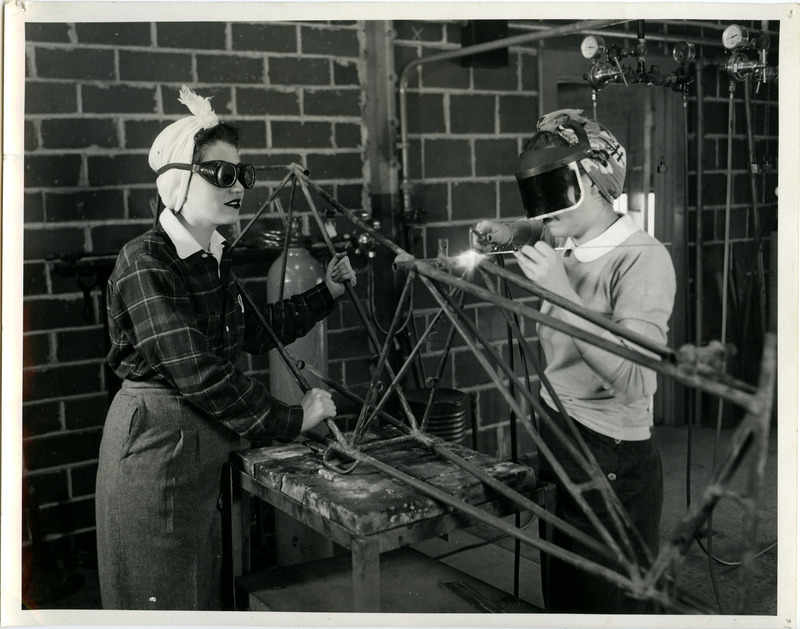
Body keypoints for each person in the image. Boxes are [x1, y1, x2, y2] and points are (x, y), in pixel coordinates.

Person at [95, 86, 356, 610]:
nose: (238, 185)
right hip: (156, 450)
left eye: (243, 174)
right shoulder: (146, 261)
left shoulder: (209, 256)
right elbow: (200, 373)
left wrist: (326, 292)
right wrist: (292, 418)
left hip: (196, 447)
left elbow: (251, 331)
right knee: (163, 604)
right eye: (221, 174)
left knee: (196, 595)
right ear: (178, 183)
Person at [472, 109, 676, 614]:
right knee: (564, 586)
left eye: (552, 189)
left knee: (606, 599)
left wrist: (561, 295)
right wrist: (510, 230)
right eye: (533, 191)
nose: (541, 210)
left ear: (593, 179)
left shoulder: (644, 259)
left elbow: (635, 379)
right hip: (559, 428)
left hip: (610, 452)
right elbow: (540, 232)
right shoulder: (567, 237)